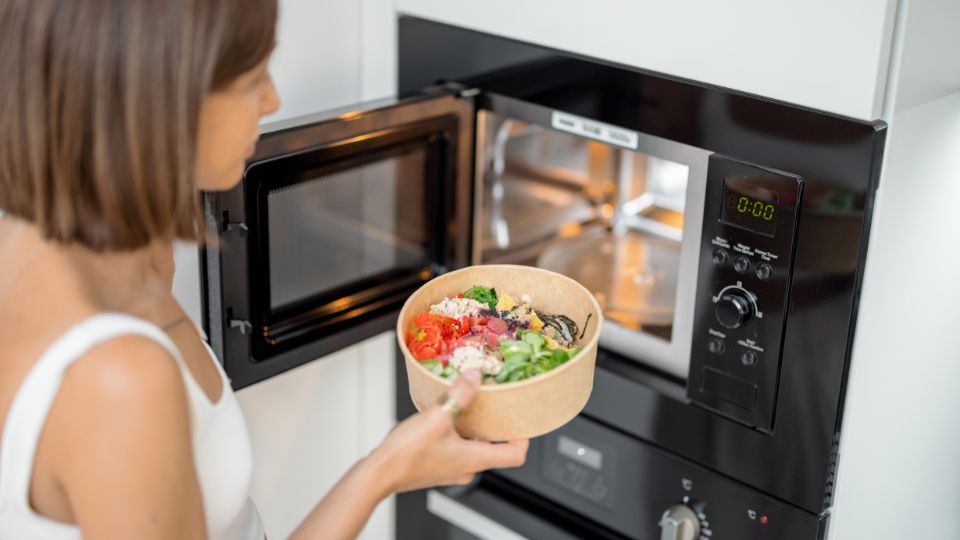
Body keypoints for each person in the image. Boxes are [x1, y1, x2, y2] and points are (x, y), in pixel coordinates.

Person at [0, 1, 528, 539]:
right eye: (253, 78)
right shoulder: (118, 379)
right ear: (158, 103)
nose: (272, 101)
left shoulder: (66, 249)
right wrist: (385, 470)